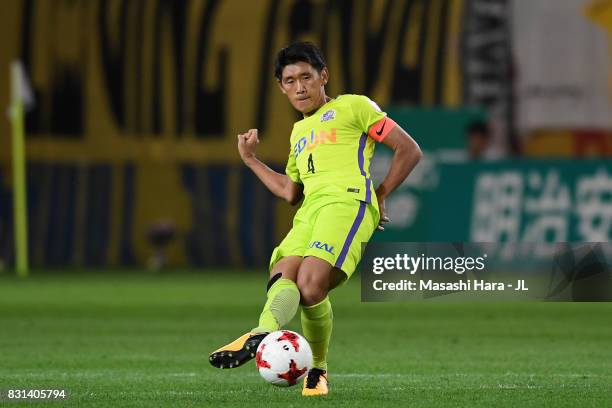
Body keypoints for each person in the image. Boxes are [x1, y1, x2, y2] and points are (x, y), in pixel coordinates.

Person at [209, 42, 422, 396]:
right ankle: (262, 332)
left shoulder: (353, 106)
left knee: (310, 285)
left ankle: (317, 370)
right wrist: (251, 160)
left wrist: (380, 194)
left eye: (306, 77)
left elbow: (408, 149)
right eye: (290, 81)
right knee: (282, 275)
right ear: (281, 87)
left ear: (323, 76)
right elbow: (292, 192)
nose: (299, 87)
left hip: (347, 204)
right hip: (309, 212)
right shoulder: (298, 133)